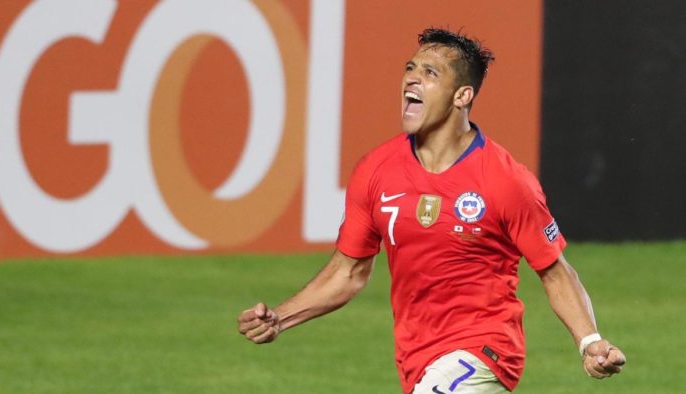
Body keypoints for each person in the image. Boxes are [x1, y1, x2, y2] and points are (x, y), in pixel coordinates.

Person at [237, 28, 626, 393]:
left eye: (429, 73)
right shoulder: (376, 170)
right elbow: (349, 272)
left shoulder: (506, 181)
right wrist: (280, 318)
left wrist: (589, 341)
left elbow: (555, 272)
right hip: (417, 357)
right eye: (410, 68)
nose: (411, 79)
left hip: (484, 351)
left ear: (462, 96)